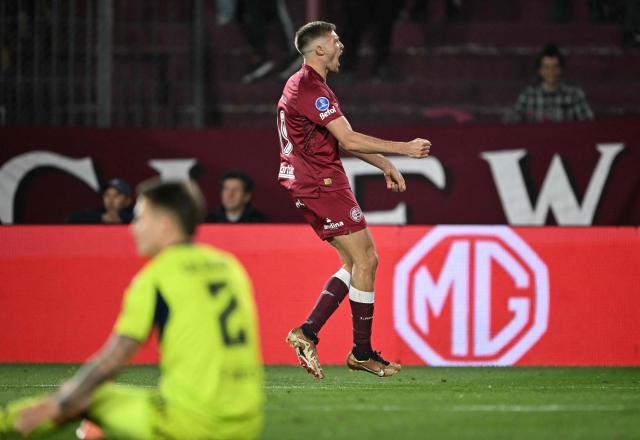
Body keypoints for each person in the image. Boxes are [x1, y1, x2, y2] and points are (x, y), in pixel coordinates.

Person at [1, 179, 264, 439]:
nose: (132, 227)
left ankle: (7, 422)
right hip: (247, 422)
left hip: (192, 424)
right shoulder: (230, 267)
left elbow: (114, 358)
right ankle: (93, 430)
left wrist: (59, 403)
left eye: (139, 218)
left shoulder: (157, 276)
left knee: (87, 395)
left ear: (164, 225)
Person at [277, 21, 431, 379]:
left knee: (354, 263)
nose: (341, 45)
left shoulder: (302, 84)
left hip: (308, 182)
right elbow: (348, 139)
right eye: (335, 40)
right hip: (321, 182)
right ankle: (361, 353)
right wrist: (404, 149)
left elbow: (341, 141)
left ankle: (308, 332)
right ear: (319, 50)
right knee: (367, 259)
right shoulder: (311, 88)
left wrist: (384, 163)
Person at [504, 44, 594, 123]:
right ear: (540, 70)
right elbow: (512, 121)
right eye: (546, 67)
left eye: (555, 67)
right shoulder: (529, 95)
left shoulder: (574, 94)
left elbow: (588, 123)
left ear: (561, 69)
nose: (551, 72)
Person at [66, 178, 134, 224]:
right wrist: (101, 218)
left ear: (127, 201)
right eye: (107, 195)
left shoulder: (137, 214)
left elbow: (136, 218)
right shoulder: (99, 213)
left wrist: (120, 219)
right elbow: (71, 218)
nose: (110, 200)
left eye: (116, 195)